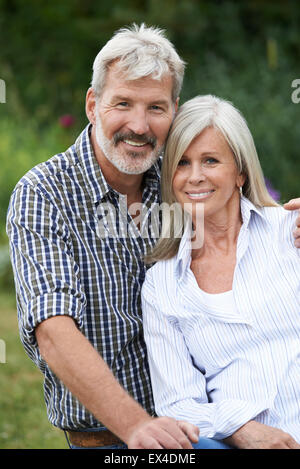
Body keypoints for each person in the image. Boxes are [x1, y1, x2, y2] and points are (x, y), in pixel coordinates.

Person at [6, 24, 300, 450]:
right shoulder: (44, 194)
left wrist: (289, 217)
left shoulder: (174, 176)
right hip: (114, 437)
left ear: (174, 111)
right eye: (122, 103)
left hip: (203, 426)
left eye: (156, 108)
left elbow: (239, 200)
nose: (139, 125)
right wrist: (137, 427)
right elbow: (53, 330)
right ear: (93, 104)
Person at [141, 94, 300, 450]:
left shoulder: (291, 233)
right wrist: (242, 430)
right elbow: (178, 405)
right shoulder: (162, 285)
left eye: (210, 161)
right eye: (182, 163)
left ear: (240, 171)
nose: (194, 177)